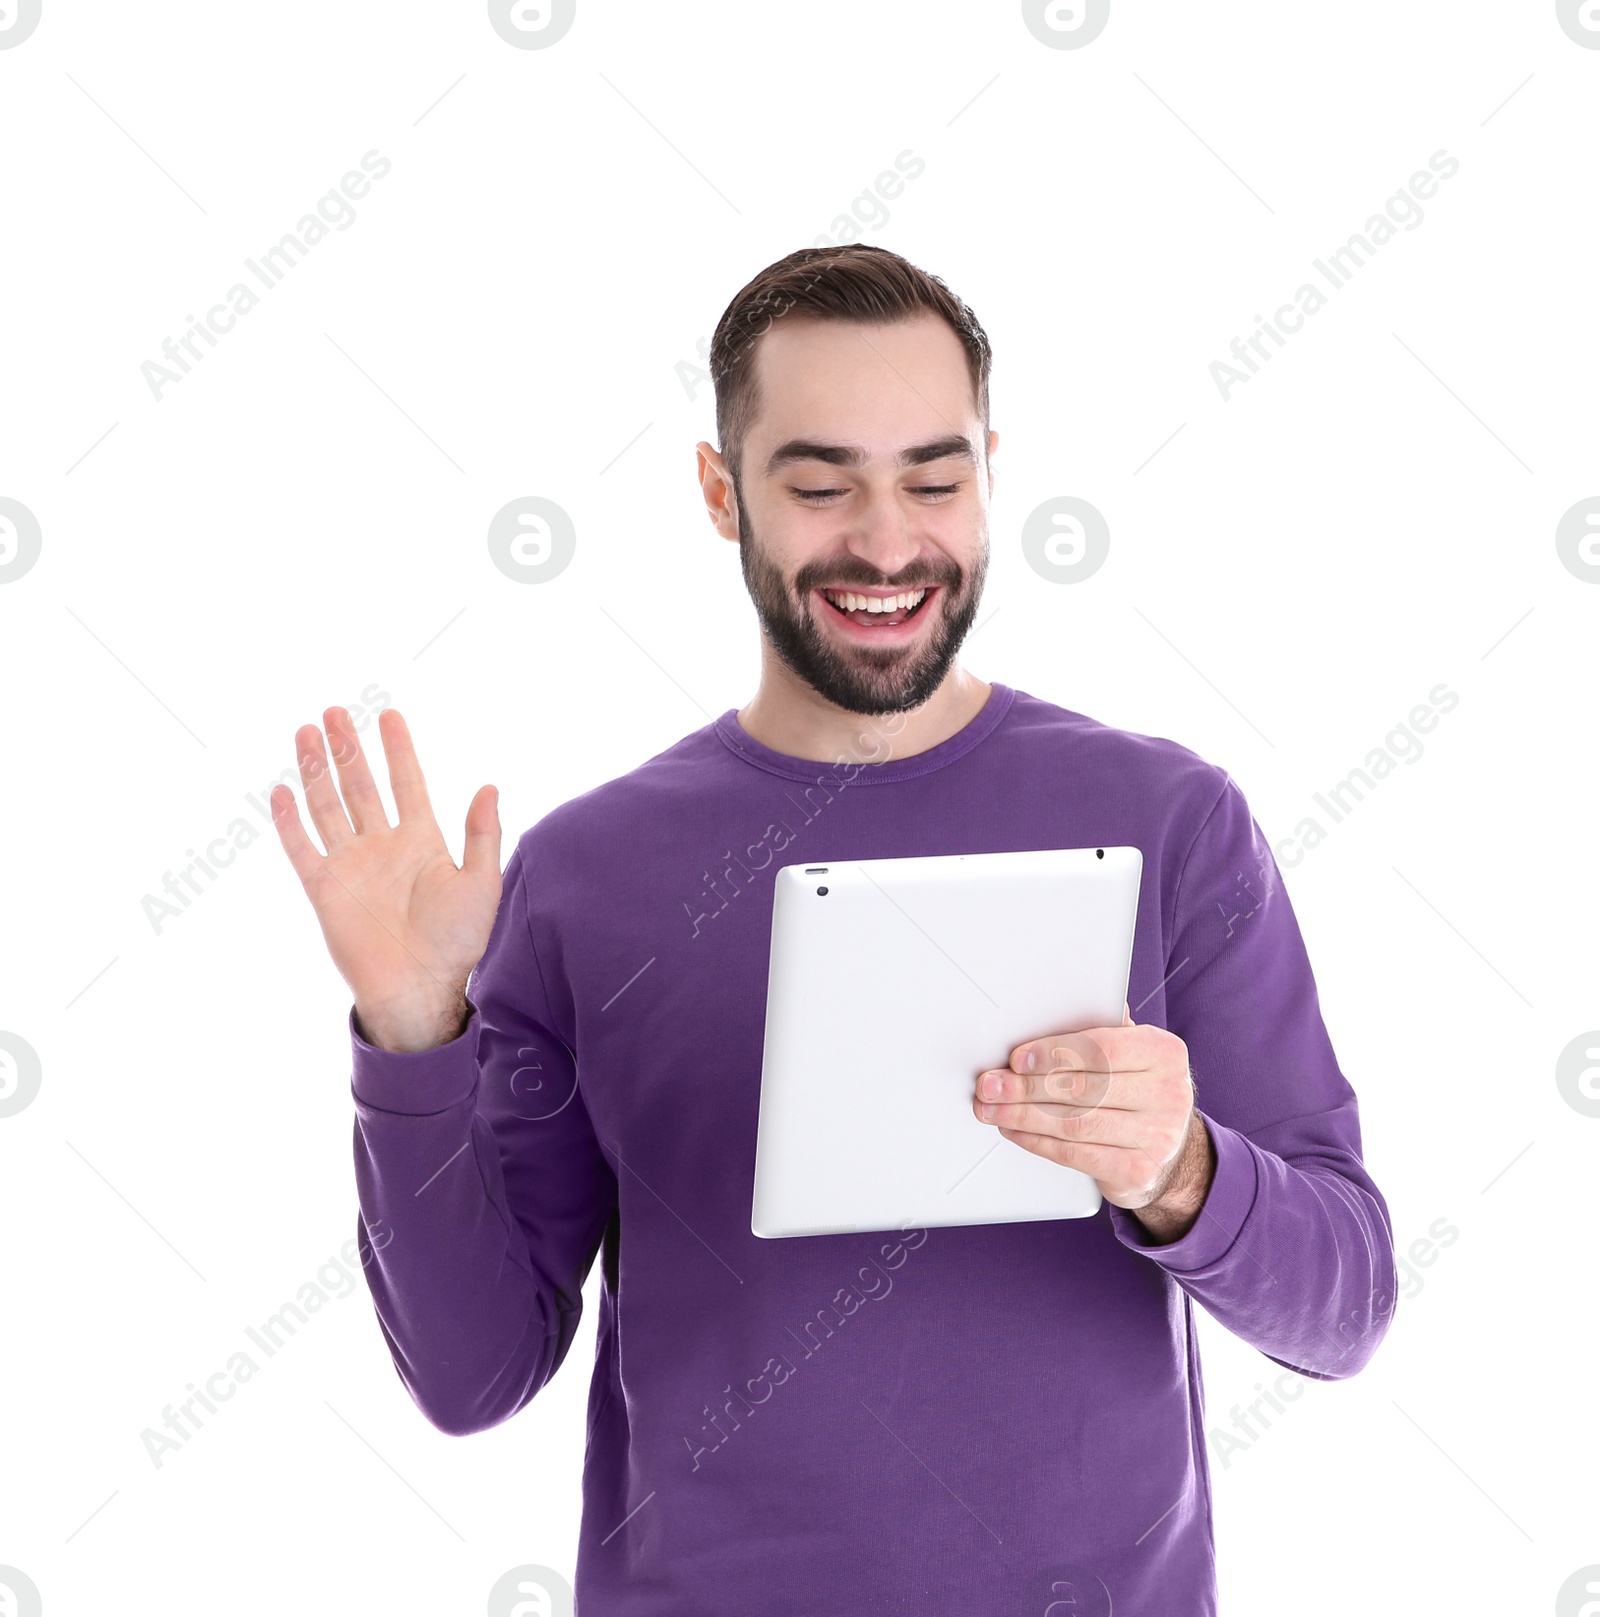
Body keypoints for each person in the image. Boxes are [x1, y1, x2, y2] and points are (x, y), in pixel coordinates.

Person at [271, 244, 1395, 1614]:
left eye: (935, 478)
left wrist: (1180, 1168)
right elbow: (471, 1373)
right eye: (819, 485)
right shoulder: (585, 877)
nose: (884, 540)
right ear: (719, 491)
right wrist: (409, 1030)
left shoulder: (1171, 820)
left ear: (991, 473)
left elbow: (1346, 1308)